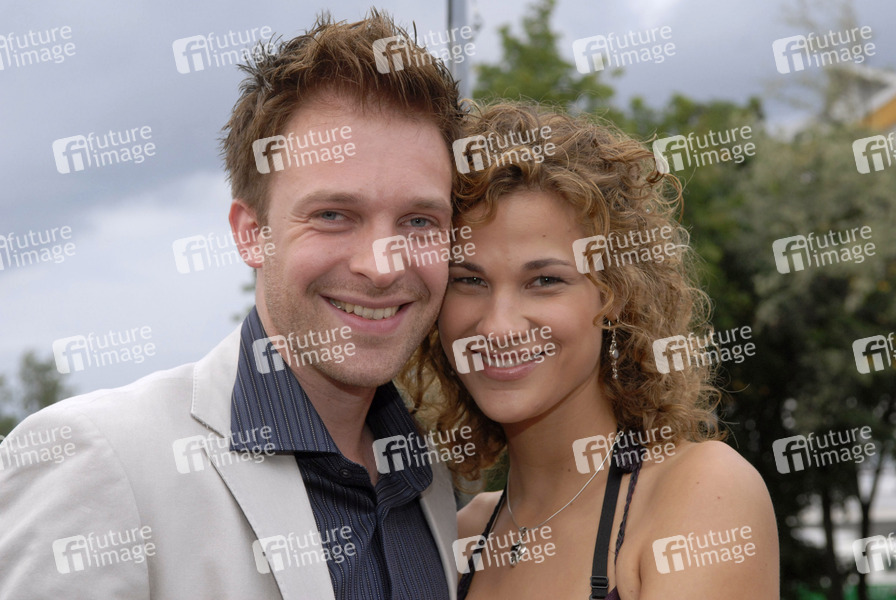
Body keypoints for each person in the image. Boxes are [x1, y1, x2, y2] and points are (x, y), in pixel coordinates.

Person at [0, 11, 464, 599]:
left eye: (419, 221)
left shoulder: (429, 480)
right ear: (250, 233)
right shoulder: (99, 460)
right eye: (333, 215)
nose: (382, 265)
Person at [399, 103, 779, 598]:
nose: (498, 326)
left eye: (545, 281)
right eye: (469, 280)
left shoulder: (700, 492)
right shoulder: (461, 535)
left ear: (614, 294)